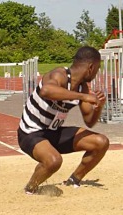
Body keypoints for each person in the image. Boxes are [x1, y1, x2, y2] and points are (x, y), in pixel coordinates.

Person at [17, 46, 109, 195]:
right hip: (30, 132)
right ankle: (30, 188)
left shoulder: (82, 87)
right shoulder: (59, 75)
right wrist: (83, 97)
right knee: (53, 161)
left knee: (101, 142)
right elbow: (46, 91)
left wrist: (98, 107)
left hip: (53, 132)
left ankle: (74, 180)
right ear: (91, 67)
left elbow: (89, 121)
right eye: (97, 69)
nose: (96, 73)